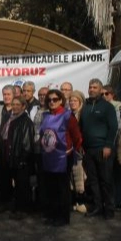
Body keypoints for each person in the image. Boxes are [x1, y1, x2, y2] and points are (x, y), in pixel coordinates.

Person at [39, 89, 82, 227]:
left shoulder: (67, 116)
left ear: (61, 100)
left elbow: (77, 137)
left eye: (55, 99)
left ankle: (63, 217)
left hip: (63, 156)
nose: (52, 102)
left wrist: (71, 150)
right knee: (51, 187)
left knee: (62, 188)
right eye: (49, 100)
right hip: (48, 156)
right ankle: (52, 214)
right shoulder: (45, 116)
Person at [79, 78, 119, 219]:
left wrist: (108, 145)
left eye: (95, 87)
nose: (92, 89)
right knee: (93, 181)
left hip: (103, 149)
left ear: (101, 90)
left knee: (106, 180)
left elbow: (113, 127)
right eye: (90, 87)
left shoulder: (107, 107)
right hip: (89, 150)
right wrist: (82, 146)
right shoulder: (86, 107)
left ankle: (109, 209)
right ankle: (97, 207)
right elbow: (81, 127)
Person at [0, 96, 35, 219]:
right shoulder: (10, 118)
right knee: (9, 184)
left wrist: (23, 159)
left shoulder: (26, 121)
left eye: (18, 104)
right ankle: (12, 205)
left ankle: (23, 210)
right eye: (13, 104)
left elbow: (27, 143)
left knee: (22, 186)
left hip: (20, 159)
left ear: (24, 106)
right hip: (9, 158)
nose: (14, 107)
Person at [0, 85, 19, 212]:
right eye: (4, 94)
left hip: (13, 149)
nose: (6, 97)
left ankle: (12, 202)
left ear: (14, 95)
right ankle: (0, 203)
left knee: (12, 177)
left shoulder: (18, 110)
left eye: (9, 94)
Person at [68, 90, 87, 212]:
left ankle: (81, 202)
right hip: (70, 150)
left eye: (75, 100)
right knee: (71, 177)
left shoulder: (83, 115)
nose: (72, 103)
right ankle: (73, 201)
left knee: (79, 177)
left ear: (80, 102)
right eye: (71, 100)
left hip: (80, 151)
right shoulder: (68, 115)